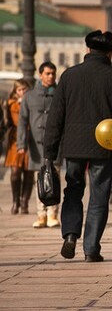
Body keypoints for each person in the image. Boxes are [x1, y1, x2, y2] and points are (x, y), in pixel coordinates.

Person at [44, 30, 112, 263]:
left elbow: (56, 117)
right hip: (104, 148)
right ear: (110, 53)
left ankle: (71, 235)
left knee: (73, 190)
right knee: (99, 196)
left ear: (87, 50)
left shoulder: (69, 76)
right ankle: (91, 248)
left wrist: (49, 153)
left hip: (73, 146)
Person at [17, 62, 62, 228]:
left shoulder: (60, 93)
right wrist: (21, 143)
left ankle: (52, 213)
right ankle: (41, 214)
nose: (51, 76)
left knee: (54, 177)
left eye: (53, 73)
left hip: (56, 143)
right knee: (39, 179)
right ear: (40, 74)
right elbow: (22, 122)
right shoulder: (29, 96)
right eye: (48, 73)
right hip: (36, 145)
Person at [5, 79, 33, 214]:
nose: (22, 92)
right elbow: (6, 122)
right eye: (19, 90)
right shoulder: (10, 104)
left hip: (31, 139)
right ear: (15, 92)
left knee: (28, 173)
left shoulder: (32, 102)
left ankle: (24, 202)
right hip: (15, 139)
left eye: (24, 89)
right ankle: (15, 200)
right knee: (15, 173)